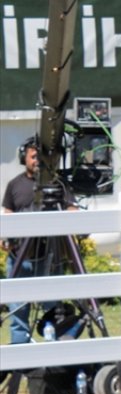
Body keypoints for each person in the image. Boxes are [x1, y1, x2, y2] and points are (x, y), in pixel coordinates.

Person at [2, 137, 78, 346]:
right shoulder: (14, 185)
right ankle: (20, 361)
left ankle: (53, 358)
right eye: (33, 157)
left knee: (52, 311)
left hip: (50, 259)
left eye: (41, 157)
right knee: (18, 315)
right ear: (23, 158)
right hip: (20, 257)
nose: (38, 161)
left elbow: (73, 210)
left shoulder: (58, 184)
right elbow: (8, 213)